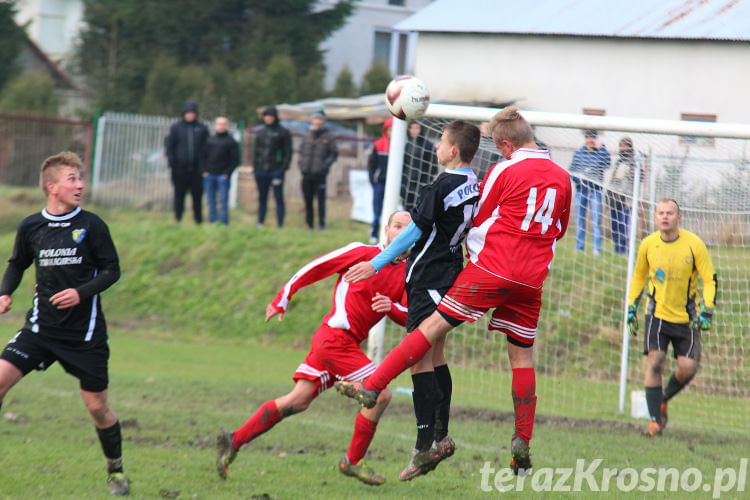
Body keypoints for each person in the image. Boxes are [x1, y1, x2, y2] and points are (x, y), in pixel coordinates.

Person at [337, 107, 572, 476]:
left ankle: (374, 385)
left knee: (428, 333)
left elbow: (479, 217)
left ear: (506, 145)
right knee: (522, 358)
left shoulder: (502, 170)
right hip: (532, 278)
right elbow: (558, 229)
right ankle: (521, 437)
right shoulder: (562, 177)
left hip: (489, 269)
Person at [215, 211, 412, 485]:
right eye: (397, 226)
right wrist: (283, 296)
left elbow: (407, 314)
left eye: (409, 228)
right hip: (334, 339)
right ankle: (353, 460)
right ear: (386, 229)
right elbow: (317, 266)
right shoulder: (361, 252)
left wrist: (392, 308)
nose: (402, 232)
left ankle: (233, 439)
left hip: (342, 345)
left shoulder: (408, 273)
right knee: (380, 395)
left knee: (297, 401)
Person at [344, 120, 480, 480]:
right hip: (450, 273)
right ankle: (442, 437)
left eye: (441, 142)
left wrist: (375, 263)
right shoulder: (473, 184)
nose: (436, 147)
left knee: (419, 358)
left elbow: (413, 234)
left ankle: (424, 447)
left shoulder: (442, 184)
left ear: (453, 150)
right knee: (435, 355)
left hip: (428, 276)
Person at [0, 152, 128, 496]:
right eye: (72, 179)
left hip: (84, 336)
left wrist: (80, 292)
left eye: (80, 178)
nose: (80, 184)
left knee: (98, 408)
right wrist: (4, 293)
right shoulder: (31, 226)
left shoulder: (92, 225)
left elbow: (112, 271)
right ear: (51, 186)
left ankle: (115, 470)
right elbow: (17, 264)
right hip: (40, 329)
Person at [625, 199, 717, 437]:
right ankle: (655, 421)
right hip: (656, 314)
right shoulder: (648, 245)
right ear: (655, 217)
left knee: (689, 367)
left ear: (679, 217)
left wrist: (707, 311)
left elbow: (709, 278)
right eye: (661, 213)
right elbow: (638, 276)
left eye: (670, 213)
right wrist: (631, 307)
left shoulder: (693, 245)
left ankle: (662, 399)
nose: (665, 217)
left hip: (688, 317)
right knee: (655, 362)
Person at [166, 100, 209, 224]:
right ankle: (178, 219)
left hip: (197, 170)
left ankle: (198, 220)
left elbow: (206, 149)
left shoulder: (202, 128)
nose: (190, 115)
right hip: (179, 169)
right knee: (179, 195)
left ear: (196, 114)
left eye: (192, 113)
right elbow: (170, 147)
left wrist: (204, 167)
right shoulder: (176, 128)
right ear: (184, 113)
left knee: (197, 196)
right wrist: (172, 163)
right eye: (188, 113)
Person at [569, 129, 610, 255]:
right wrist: (579, 180)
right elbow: (571, 170)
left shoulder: (601, 152)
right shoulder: (579, 153)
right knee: (580, 220)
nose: (590, 140)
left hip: (595, 192)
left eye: (592, 137)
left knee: (596, 220)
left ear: (596, 139)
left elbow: (608, 163)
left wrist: (602, 148)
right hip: (581, 191)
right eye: (588, 137)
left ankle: (596, 249)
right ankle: (579, 248)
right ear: (585, 138)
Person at [298, 110, 338, 231]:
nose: (317, 121)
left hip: (320, 174)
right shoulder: (307, 134)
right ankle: (309, 224)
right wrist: (302, 165)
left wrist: (324, 165)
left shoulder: (328, 136)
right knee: (308, 200)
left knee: (320, 201)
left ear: (323, 121)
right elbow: (301, 152)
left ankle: (321, 224)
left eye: (320, 119)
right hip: (306, 173)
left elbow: (334, 153)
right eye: (316, 118)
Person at [253, 106, 292, 228]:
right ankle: (260, 222)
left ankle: (280, 224)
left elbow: (288, 152)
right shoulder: (260, 132)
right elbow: (256, 151)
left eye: (270, 116)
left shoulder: (283, 132)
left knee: (278, 197)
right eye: (266, 116)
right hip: (261, 170)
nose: (268, 118)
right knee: (262, 197)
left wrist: (282, 168)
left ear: (275, 117)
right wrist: (255, 168)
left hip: (276, 170)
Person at [605, 137, 640, 254]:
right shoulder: (618, 162)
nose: (623, 149)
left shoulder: (634, 162)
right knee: (615, 227)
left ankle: (625, 251)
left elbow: (637, 179)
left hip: (626, 201)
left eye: (625, 146)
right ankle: (617, 250)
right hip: (615, 199)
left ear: (630, 147)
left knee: (624, 227)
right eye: (621, 146)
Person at [203, 117, 239, 225]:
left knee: (223, 201)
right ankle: (212, 221)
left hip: (223, 176)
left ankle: (224, 223)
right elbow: (203, 156)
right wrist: (204, 171)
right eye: (219, 124)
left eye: (223, 124)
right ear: (215, 125)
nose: (221, 126)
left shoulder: (231, 141)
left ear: (227, 126)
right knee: (211, 200)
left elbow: (235, 160)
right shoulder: (209, 140)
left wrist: (227, 173)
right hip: (210, 175)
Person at [401, 121, 437, 211]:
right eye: (412, 128)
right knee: (406, 208)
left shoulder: (428, 145)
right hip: (407, 183)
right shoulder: (406, 145)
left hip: (421, 183)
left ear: (421, 129)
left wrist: (426, 180)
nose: (414, 130)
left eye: (416, 128)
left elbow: (433, 165)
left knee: (418, 208)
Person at [368, 118, 392, 242]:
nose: (391, 132)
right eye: (389, 130)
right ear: (385, 131)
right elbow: (371, 165)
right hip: (379, 183)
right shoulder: (377, 145)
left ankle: (388, 235)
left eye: (393, 130)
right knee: (377, 210)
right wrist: (373, 180)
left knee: (390, 211)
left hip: (392, 185)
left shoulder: (401, 146)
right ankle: (373, 233)